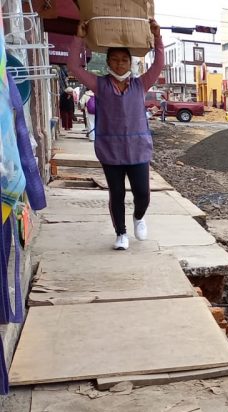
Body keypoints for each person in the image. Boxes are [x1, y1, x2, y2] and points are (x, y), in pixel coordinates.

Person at [69, 18, 164, 250]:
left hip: (138, 150)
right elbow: (73, 66)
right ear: (108, 62)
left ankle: (139, 217)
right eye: (115, 60)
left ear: (130, 62)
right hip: (110, 151)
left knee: (142, 194)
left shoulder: (140, 85)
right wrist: (79, 37)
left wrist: (157, 37)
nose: (120, 64)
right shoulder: (99, 85)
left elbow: (158, 65)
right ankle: (121, 234)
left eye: (124, 60)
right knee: (117, 194)